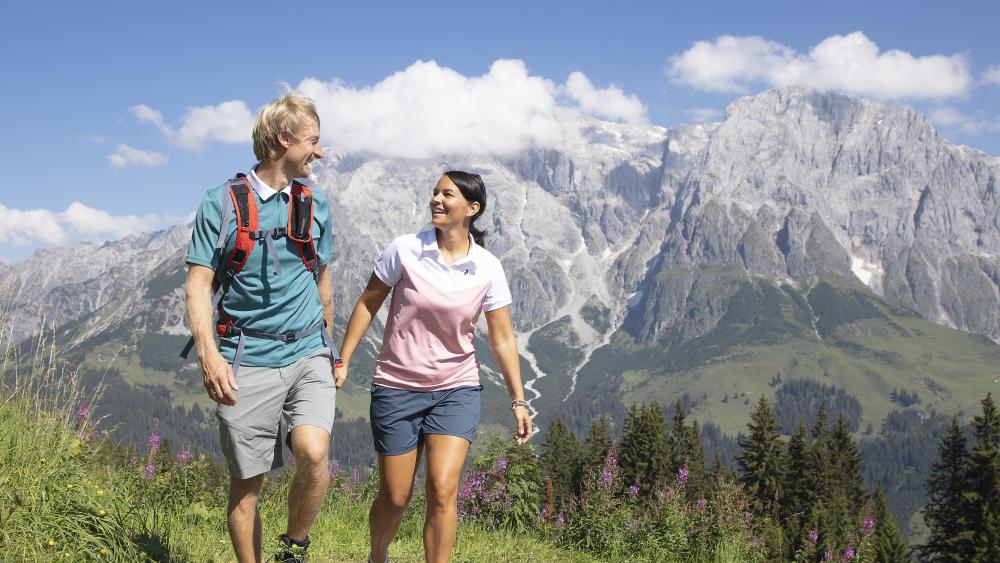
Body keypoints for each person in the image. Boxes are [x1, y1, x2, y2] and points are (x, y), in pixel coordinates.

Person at [335, 170, 533, 563]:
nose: (436, 200)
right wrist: (343, 358)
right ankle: (378, 556)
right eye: (435, 192)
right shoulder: (405, 249)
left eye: (447, 194)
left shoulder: (488, 267)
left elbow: (503, 338)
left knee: (443, 490)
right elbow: (368, 303)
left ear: (472, 209)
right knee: (396, 496)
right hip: (397, 386)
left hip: (456, 389)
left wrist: (519, 400)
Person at [184, 93, 341, 563]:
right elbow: (198, 287)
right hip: (246, 356)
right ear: (284, 140)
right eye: (314, 141)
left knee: (313, 451)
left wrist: (330, 349)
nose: (320, 151)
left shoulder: (315, 204)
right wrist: (209, 356)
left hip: (308, 350)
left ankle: (294, 547)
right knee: (247, 485)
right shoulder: (220, 204)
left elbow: (323, 282)